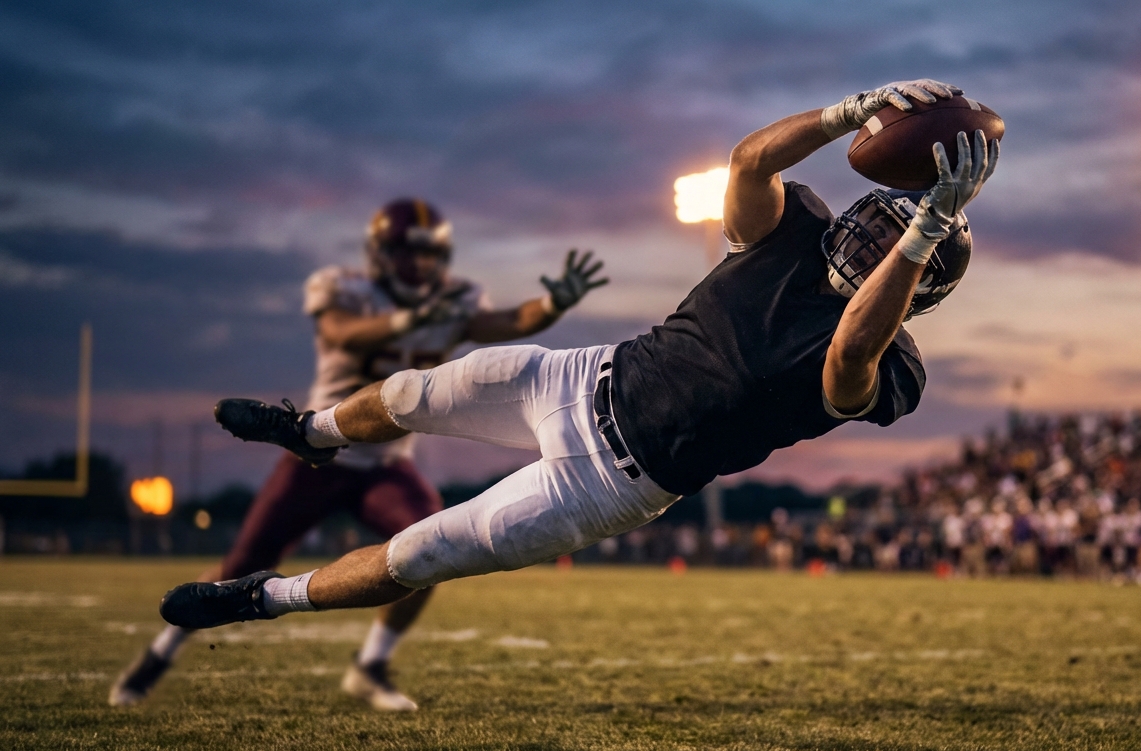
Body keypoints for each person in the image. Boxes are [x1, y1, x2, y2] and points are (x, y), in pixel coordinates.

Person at [158, 80, 998, 635]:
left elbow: (851, 347)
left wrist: (925, 232)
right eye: (885, 220)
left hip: (610, 482)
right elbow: (748, 161)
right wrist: (850, 113)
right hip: (583, 376)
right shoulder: (795, 227)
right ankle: (313, 431)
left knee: (417, 554)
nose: (878, 235)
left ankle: (264, 597)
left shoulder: (893, 368)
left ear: (919, 283)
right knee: (413, 390)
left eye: (900, 241)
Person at [110, 198, 606, 711]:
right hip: (317, 459)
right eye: (407, 252)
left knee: (432, 547)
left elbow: (507, 322)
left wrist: (551, 306)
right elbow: (340, 332)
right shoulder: (347, 289)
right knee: (243, 563)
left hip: (385, 467)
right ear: (380, 254)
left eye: (428, 254)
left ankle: (370, 667)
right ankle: (157, 657)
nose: (420, 265)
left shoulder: (454, 302)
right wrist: (410, 320)